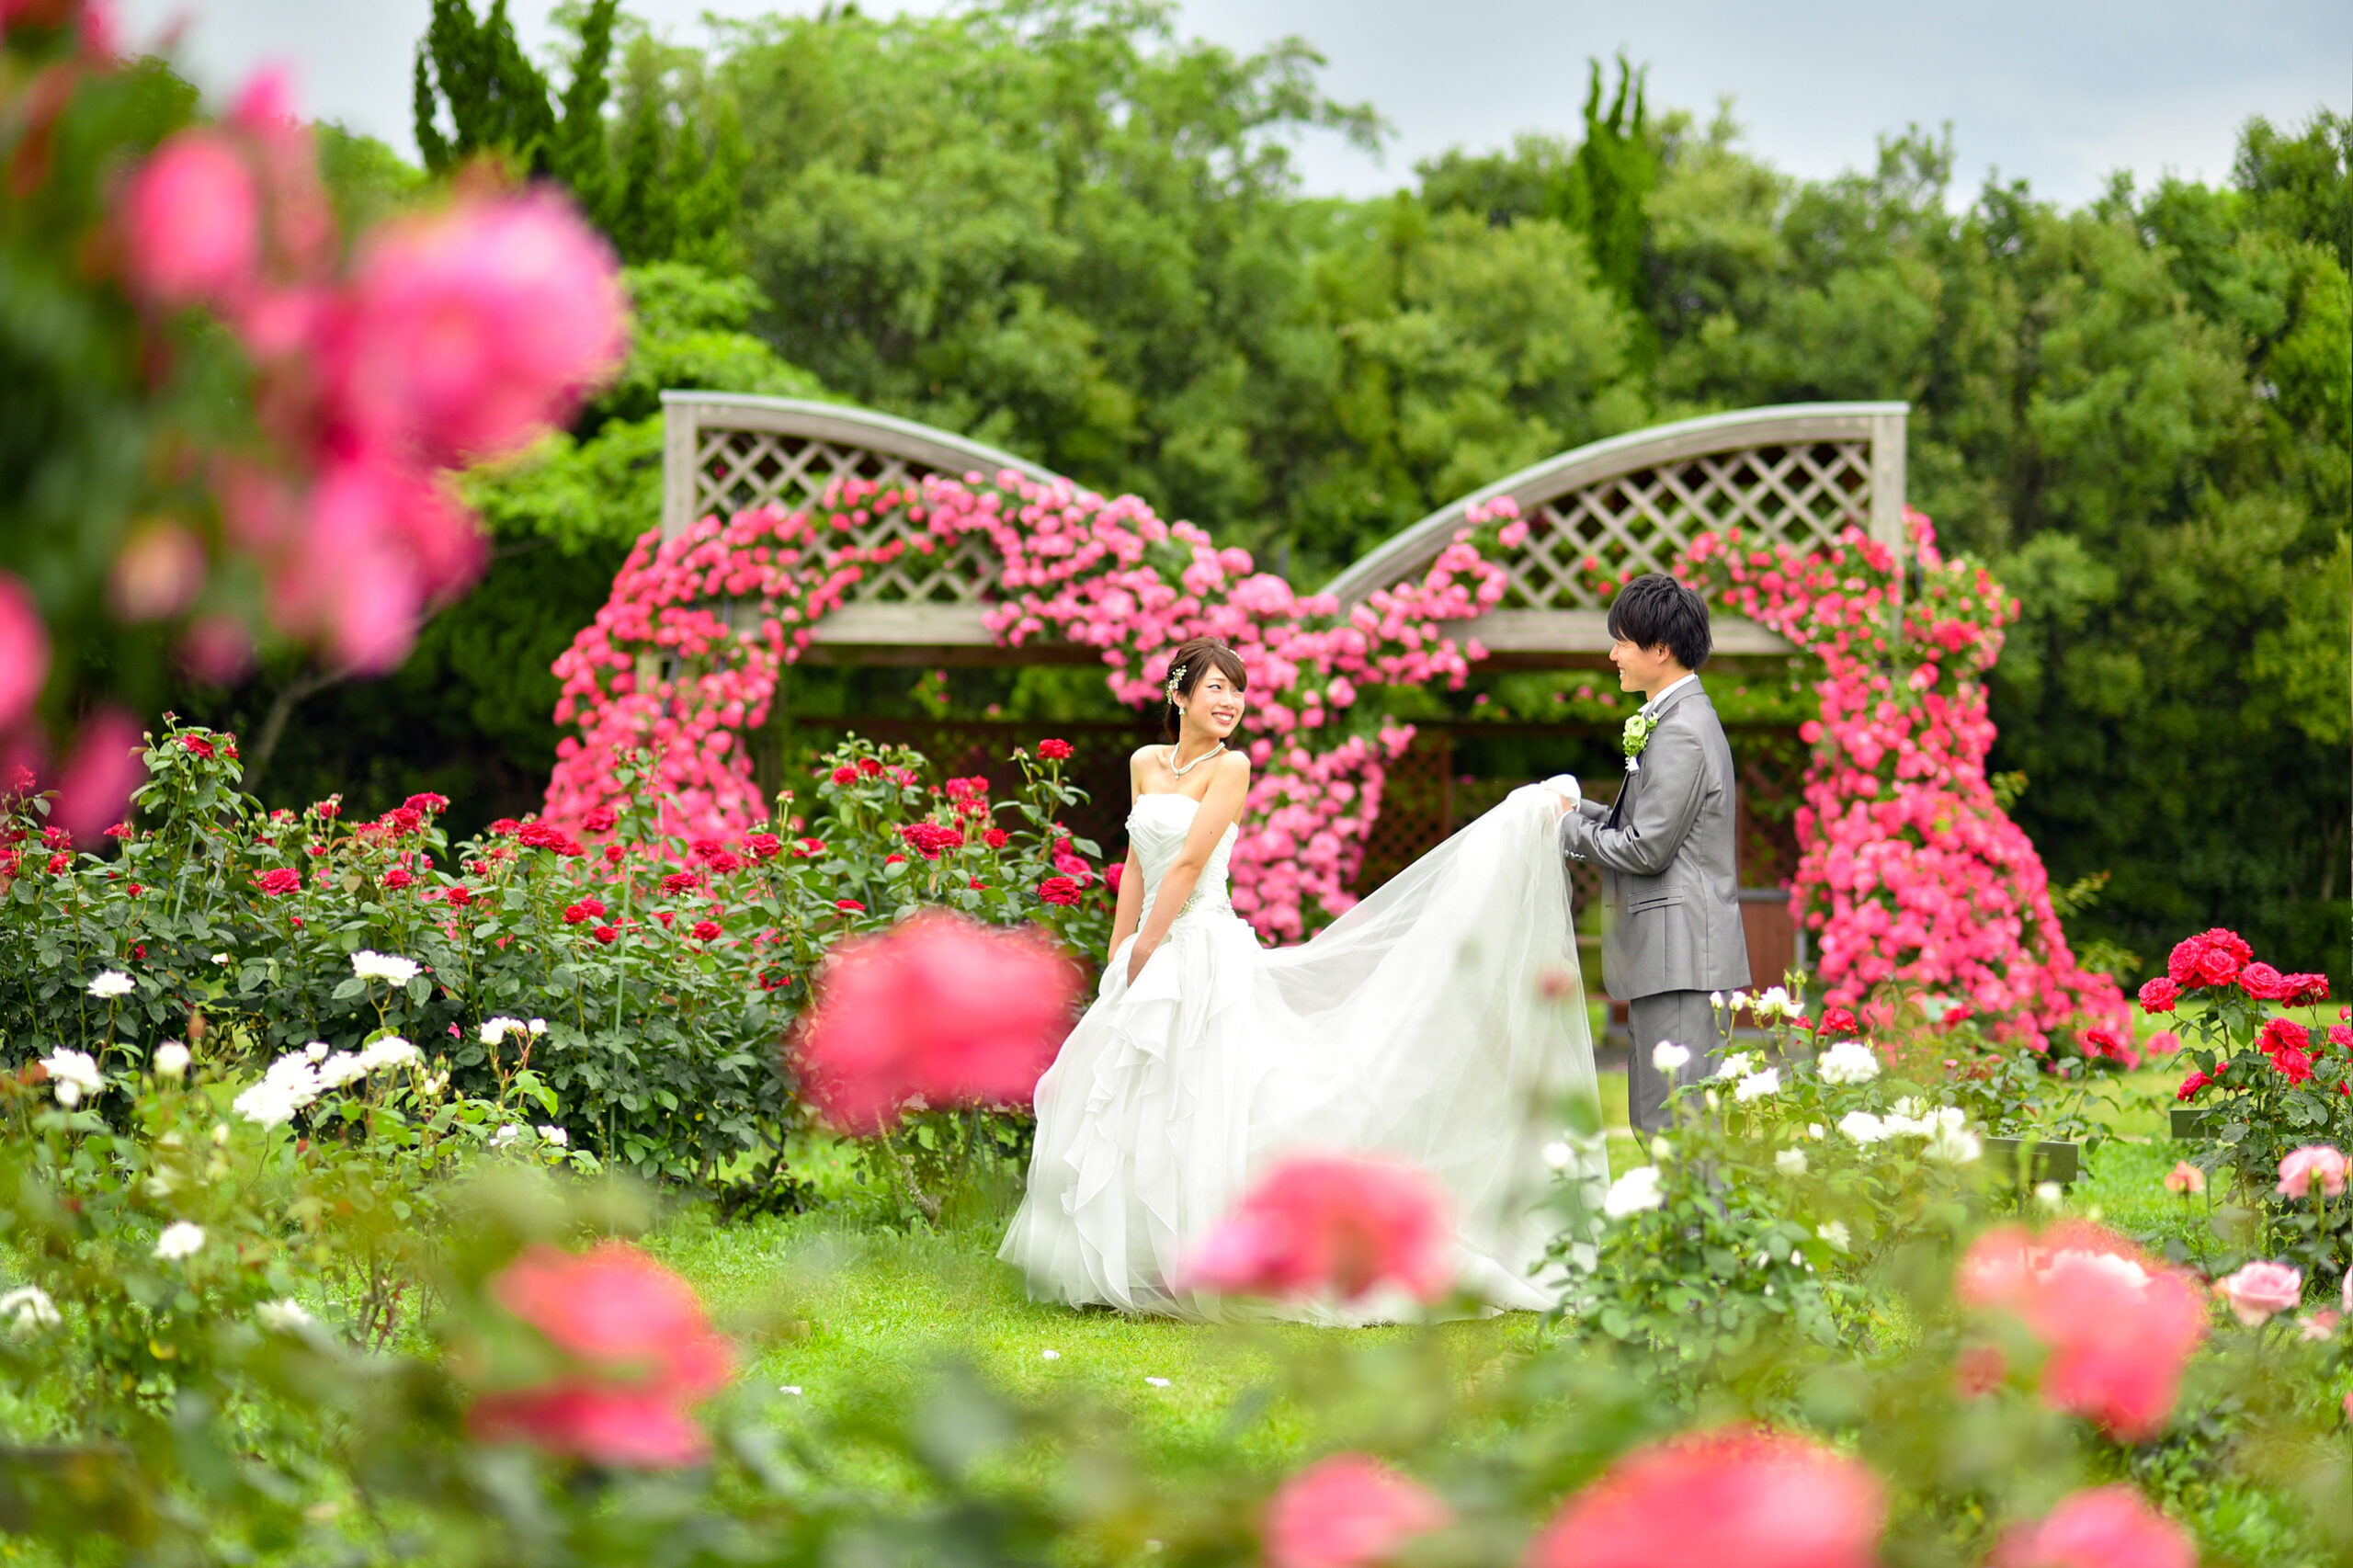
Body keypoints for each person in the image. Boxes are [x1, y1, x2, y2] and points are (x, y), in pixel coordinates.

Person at [999, 635, 1606, 1324]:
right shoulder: (1144, 762)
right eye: (1216, 688)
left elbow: (1192, 865)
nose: (1231, 701)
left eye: (1238, 689)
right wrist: (1122, 952)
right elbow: (1140, 863)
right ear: (1179, 695)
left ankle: (1221, 1254)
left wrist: (1152, 950)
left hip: (1200, 945)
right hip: (1147, 944)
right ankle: (1150, 1259)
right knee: (1136, 1096)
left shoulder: (1232, 769)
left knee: (1208, 1101)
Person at [1552, 574, 1751, 1134]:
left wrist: (1565, 830)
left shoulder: (1682, 729)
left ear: (1659, 649)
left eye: (1621, 640)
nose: (1612, 653)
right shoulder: (1673, 719)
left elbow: (1647, 849)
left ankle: (1698, 1229)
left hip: (1682, 959)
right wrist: (1575, 809)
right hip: (1669, 959)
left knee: (1679, 1133)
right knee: (1658, 1125)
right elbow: (1647, 827)